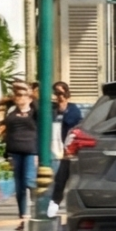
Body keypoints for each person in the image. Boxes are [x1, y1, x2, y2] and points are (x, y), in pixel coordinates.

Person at [0, 81, 42, 231]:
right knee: (19, 186)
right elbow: (3, 129)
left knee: (29, 180)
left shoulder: (34, 111)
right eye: (17, 95)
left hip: (30, 151)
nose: (19, 98)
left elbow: (43, 114)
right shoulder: (11, 112)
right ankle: (23, 217)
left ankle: (36, 210)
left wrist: (31, 93)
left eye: (22, 95)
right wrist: (6, 154)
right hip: (14, 151)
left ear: (29, 97)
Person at [45, 81, 85, 219]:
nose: (58, 96)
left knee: (63, 177)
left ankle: (57, 203)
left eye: (61, 93)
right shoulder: (51, 109)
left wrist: (63, 111)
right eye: (56, 93)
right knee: (55, 179)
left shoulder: (73, 109)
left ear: (67, 94)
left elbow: (74, 123)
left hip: (67, 150)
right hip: (53, 148)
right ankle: (52, 203)